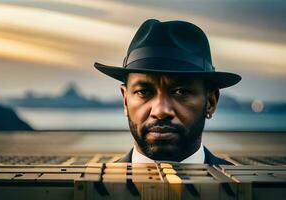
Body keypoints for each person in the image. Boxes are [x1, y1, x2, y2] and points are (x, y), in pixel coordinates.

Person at [94, 19, 241, 164]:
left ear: (210, 102)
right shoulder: (94, 187)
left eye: (181, 92)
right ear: (125, 101)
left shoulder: (243, 186)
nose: (160, 111)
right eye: (143, 92)